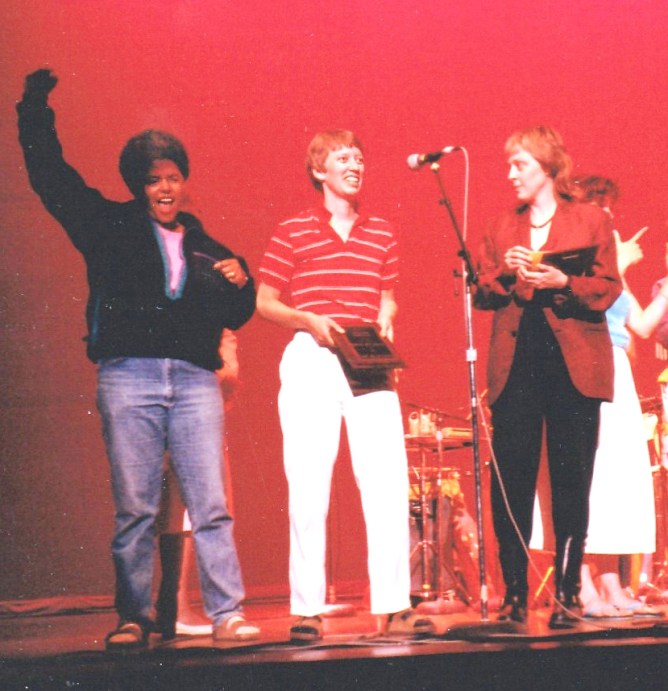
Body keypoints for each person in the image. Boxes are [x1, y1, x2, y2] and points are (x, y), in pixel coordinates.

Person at [17, 69, 259, 650]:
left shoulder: (206, 244)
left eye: (174, 177)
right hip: (130, 377)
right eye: (154, 180)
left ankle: (228, 615)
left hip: (196, 381)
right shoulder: (108, 227)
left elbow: (239, 310)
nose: (166, 188)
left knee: (211, 505)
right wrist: (34, 110)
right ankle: (134, 617)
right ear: (138, 185)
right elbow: (52, 179)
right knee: (136, 507)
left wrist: (242, 282)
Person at [256, 130, 435, 642]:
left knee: (386, 482)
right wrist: (306, 318)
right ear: (319, 171)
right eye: (342, 158)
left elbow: (387, 295)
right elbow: (265, 301)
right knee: (308, 485)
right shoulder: (294, 229)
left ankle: (395, 605)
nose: (354, 164)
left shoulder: (381, 231)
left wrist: (387, 317)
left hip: (367, 359)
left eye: (359, 156)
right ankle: (307, 609)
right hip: (313, 355)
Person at [473, 126, 622, 628]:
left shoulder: (590, 219)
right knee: (509, 481)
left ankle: (566, 592)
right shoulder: (500, 227)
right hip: (517, 366)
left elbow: (607, 288)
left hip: (573, 367)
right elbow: (482, 292)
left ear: (548, 168)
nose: (510, 173)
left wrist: (564, 281)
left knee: (570, 482)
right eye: (509, 164)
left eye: (520, 164)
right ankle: (514, 593)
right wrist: (507, 275)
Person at [572, 177, 662, 618]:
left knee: (616, 480)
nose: (609, 215)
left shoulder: (609, 261)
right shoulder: (580, 257)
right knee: (591, 479)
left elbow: (642, 326)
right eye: (599, 205)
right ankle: (582, 589)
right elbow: (591, 303)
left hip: (616, 368)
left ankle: (613, 585)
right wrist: (620, 267)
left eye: (610, 206)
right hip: (587, 363)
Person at [156, 329, 241, 638]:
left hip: (191, 405)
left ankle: (175, 601)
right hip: (185, 408)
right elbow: (227, 371)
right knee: (184, 506)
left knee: (185, 507)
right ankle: (174, 602)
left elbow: (228, 370)